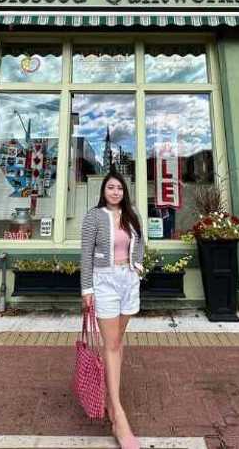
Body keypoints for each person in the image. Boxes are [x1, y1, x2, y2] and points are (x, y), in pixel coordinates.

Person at [79, 172, 146, 449]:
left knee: (117, 343)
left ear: (124, 191)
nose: (115, 192)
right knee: (111, 344)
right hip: (104, 281)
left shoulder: (133, 215)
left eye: (119, 188)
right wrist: (87, 290)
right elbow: (85, 254)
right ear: (103, 190)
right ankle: (118, 414)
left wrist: (138, 266)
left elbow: (140, 241)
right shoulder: (94, 216)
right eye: (111, 187)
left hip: (128, 280)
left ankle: (110, 398)